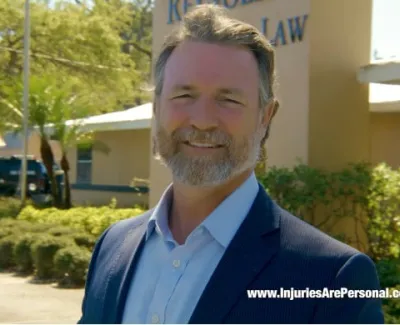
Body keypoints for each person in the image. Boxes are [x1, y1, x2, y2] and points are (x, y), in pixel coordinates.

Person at [78, 4, 384, 324]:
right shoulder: (112, 246)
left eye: (229, 99)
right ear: (157, 108)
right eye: (184, 95)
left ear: (265, 117)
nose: (203, 121)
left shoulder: (334, 279)